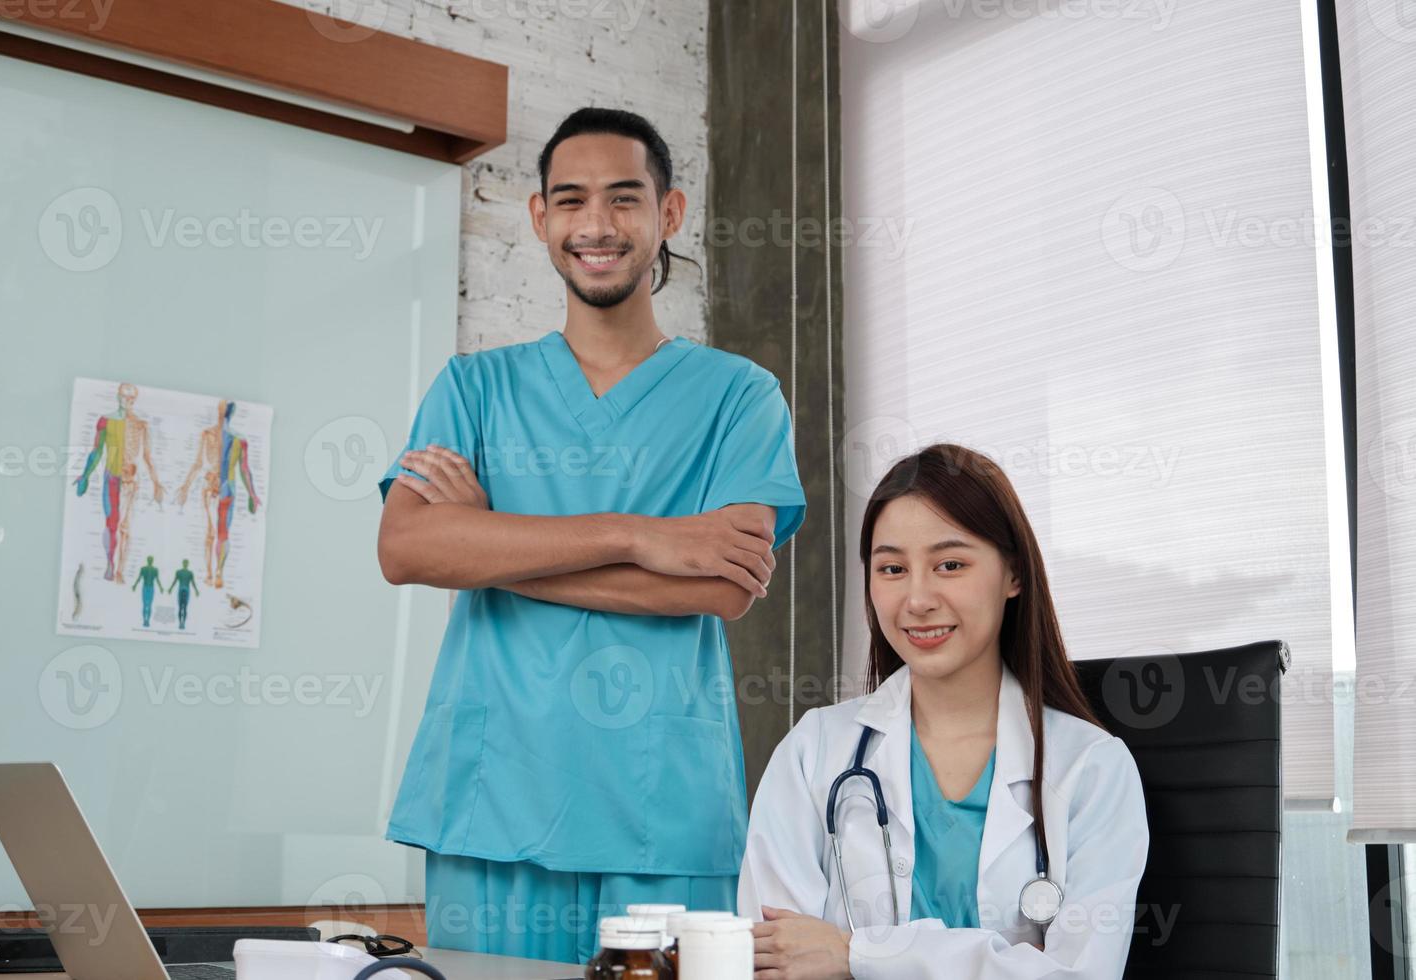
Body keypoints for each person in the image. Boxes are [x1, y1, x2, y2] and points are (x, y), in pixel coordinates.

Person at [376, 106, 808, 964]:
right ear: (540, 220)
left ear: (669, 213)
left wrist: (488, 545)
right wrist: (637, 536)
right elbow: (407, 550)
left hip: (662, 810)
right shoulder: (474, 387)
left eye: (624, 198)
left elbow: (723, 587)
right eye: (570, 201)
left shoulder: (739, 396)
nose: (597, 225)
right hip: (491, 798)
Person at [738, 444, 1147, 979]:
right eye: (891, 568)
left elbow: (1080, 975)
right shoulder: (814, 751)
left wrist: (857, 955)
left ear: (1014, 575)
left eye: (950, 564)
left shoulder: (1091, 769)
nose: (917, 598)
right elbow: (776, 957)